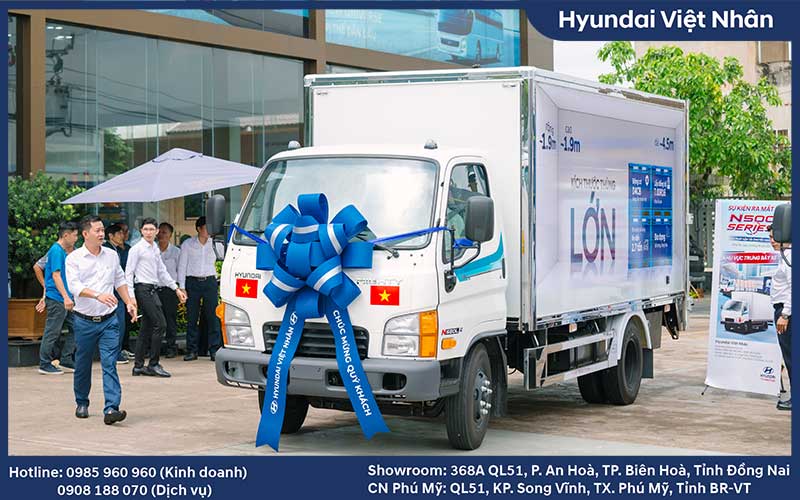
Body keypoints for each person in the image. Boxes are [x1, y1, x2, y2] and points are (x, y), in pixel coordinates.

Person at [65, 215, 137, 424]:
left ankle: (111, 408)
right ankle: (82, 401)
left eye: (102, 230)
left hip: (109, 320)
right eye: (97, 230)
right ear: (85, 234)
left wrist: (129, 302)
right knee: (83, 363)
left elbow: (119, 280)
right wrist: (98, 295)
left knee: (109, 363)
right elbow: (75, 287)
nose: (101, 234)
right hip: (84, 320)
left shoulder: (111, 255)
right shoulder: (74, 258)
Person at [125, 218, 186, 377]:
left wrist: (176, 289)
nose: (148, 232)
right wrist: (131, 297)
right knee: (161, 324)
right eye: (145, 229)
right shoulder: (137, 249)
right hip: (142, 289)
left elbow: (162, 271)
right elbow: (128, 273)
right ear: (141, 231)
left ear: (156, 231)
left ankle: (138, 366)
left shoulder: (155, 249)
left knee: (146, 328)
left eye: (151, 229)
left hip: (153, 289)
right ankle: (153, 364)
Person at [178, 216, 224, 361]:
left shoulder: (216, 244)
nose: (208, 231)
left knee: (213, 317)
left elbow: (225, 258)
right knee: (192, 317)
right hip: (192, 282)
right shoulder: (188, 244)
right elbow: (182, 266)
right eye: (206, 228)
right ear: (199, 228)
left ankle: (214, 350)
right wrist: (182, 287)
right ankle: (192, 350)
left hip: (209, 282)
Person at [38, 222, 79, 375]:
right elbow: (56, 276)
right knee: (52, 332)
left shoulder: (61, 251)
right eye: (75, 235)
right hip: (57, 298)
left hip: (63, 298)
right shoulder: (56, 251)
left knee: (76, 327)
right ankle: (44, 363)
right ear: (66, 235)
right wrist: (66, 297)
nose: (76, 238)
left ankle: (66, 359)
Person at [769, 225, 791, 411]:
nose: (772, 241)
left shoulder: (789, 257)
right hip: (784, 310)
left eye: (774, 237)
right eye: (770, 237)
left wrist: (785, 314)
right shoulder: (785, 256)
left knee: (790, 356)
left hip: (787, 312)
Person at [104, 224, 133, 363]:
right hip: (110, 293)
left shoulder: (122, 249)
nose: (123, 236)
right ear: (111, 236)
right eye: (119, 233)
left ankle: (118, 351)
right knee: (115, 325)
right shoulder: (107, 250)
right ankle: (114, 353)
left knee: (121, 324)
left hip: (120, 292)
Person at [157, 222, 181, 358]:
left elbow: (180, 271)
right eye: (159, 232)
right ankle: (154, 347)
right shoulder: (152, 250)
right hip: (154, 289)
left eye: (164, 232)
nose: (161, 235)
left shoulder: (176, 252)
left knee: (170, 319)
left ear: (170, 235)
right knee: (154, 320)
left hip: (169, 290)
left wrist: (180, 288)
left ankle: (171, 346)